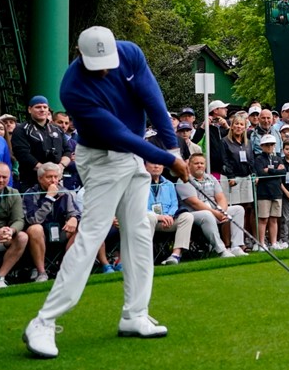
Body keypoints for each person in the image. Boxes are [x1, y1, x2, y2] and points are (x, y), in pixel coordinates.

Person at [24, 26, 190, 359]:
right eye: (96, 62)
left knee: (140, 230)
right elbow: (118, 136)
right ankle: (43, 321)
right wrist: (166, 158)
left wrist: (175, 148)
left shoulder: (129, 54)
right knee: (92, 235)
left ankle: (134, 314)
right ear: (80, 55)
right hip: (101, 160)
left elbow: (153, 99)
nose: (104, 68)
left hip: (133, 156)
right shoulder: (73, 89)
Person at [176, 153, 247, 257]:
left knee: (238, 209)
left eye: (202, 163)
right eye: (196, 163)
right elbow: (195, 203)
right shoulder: (184, 180)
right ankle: (221, 250)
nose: (199, 165)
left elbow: (221, 197)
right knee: (207, 214)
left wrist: (221, 212)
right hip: (194, 214)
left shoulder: (211, 178)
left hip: (214, 211)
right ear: (189, 165)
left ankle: (236, 246)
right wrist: (216, 213)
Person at [23, 162, 81, 282]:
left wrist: (74, 218)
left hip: (61, 231)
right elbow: (33, 220)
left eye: (56, 177)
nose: (53, 180)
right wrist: (49, 198)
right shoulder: (30, 193)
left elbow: (75, 212)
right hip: (40, 235)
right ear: (40, 179)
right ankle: (41, 272)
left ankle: (65, 269)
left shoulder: (65, 192)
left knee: (82, 228)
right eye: (49, 177)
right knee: (35, 229)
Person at [12, 95, 72, 192]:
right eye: (38, 107)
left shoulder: (57, 129)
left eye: (45, 107)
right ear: (29, 109)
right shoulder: (21, 129)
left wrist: (60, 167)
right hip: (31, 182)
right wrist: (45, 171)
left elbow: (68, 150)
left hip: (56, 180)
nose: (42, 110)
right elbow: (22, 154)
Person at [145, 162, 194, 266]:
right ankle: (145, 257)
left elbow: (174, 204)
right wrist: (159, 217)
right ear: (145, 166)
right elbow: (138, 207)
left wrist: (170, 216)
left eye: (159, 164)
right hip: (149, 221)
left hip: (167, 220)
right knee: (150, 217)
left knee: (187, 217)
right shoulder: (140, 184)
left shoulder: (169, 184)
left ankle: (175, 255)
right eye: (152, 163)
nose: (156, 166)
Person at [0, 162, 28, 288]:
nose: (0, 180)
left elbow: (19, 219)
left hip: (4, 237)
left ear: (9, 178)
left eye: (4, 177)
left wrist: (11, 231)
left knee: (22, 237)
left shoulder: (14, 193)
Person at [253, 134, 285, 250]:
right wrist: (276, 171)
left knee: (274, 219)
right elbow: (261, 173)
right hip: (264, 193)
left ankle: (274, 243)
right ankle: (261, 243)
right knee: (263, 219)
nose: (269, 147)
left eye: (271, 144)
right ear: (262, 146)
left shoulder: (277, 158)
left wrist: (270, 170)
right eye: (267, 145)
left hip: (276, 192)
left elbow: (283, 172)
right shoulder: (259, 159)